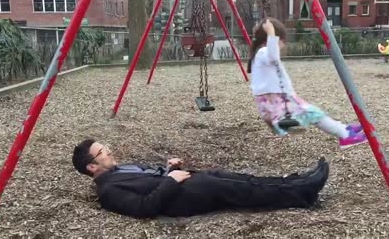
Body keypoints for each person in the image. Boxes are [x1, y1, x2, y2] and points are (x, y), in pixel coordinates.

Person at [72, 139, 330, 219]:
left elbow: (150, 177)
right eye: (102, 152)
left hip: (184, 183)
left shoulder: (118, 170)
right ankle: (304, 191)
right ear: (92, 166)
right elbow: (144, 208)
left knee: (242, 180)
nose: (109, 151)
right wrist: (171, 180)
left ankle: (297, 182)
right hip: (182, 199)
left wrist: (168, 168)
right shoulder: (108, 191)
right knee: (240, 189)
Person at [247, 17, 368, 149]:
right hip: (278, 104)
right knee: (315, 114)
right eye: (282, 41)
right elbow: (273, 56)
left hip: (276, 103)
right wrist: (271, 33)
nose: (283, 45)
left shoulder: (259, 55)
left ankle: (344, 128)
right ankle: (345, 135)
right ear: (271, 40)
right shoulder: (264, 52)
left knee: (316, 114)